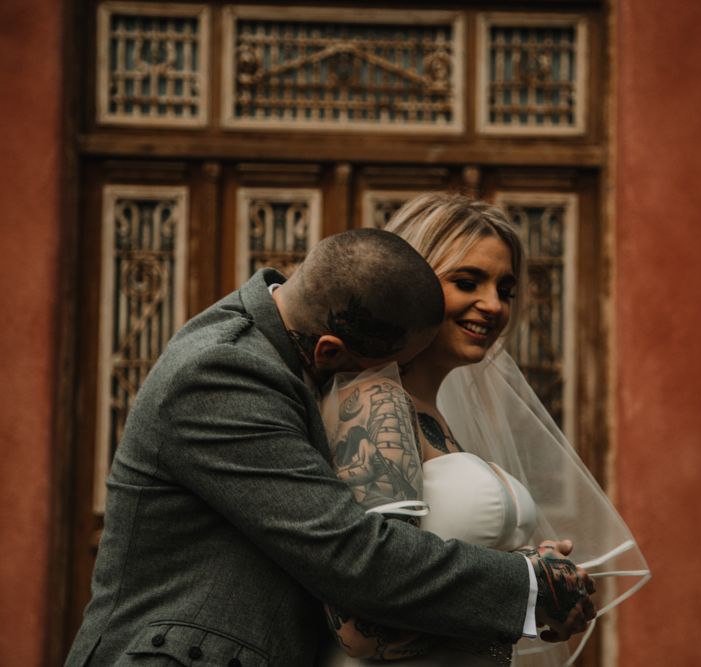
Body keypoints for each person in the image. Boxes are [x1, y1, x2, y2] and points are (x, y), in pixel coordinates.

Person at [65, 228, 595, 667]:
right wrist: (529, 585)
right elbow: (350, 554)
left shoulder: (285, 345)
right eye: (381, 368)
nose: (376, 386)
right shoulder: (221, 373)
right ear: (329, 351)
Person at [319, 194, 649, 666]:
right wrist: (524, 591)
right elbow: (361, 625)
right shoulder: (375, 404)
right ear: (411, 284)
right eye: (467, 282)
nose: (493, 305)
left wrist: (546, 581)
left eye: (505, 290)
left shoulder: (441, 419)